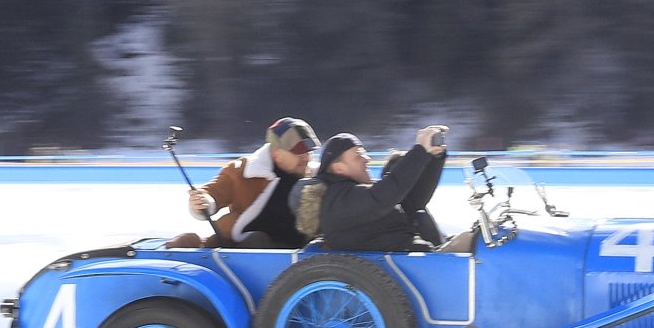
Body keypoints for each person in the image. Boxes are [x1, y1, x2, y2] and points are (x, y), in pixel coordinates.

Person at [164, 117, 320, 249]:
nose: (306, 158)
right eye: (298, 152)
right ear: (276, 153)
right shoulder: (244, 170)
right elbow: (212, 193)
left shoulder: (317, 177)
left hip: (299, 254)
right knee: (258, 240)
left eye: (309, 152)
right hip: (244, 248)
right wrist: (203, 201)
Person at [314, 125, 473, 252]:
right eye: (358, 156)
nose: (367, 159)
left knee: (476, 238)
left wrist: (433, 157)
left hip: (412, 258)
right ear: (339, 169)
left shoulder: (354, 194)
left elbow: (412, 202)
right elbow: (382, 197)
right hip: (400, 267)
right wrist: (419, 150)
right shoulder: (337, 199)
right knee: (474, 244)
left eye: (364, 154)